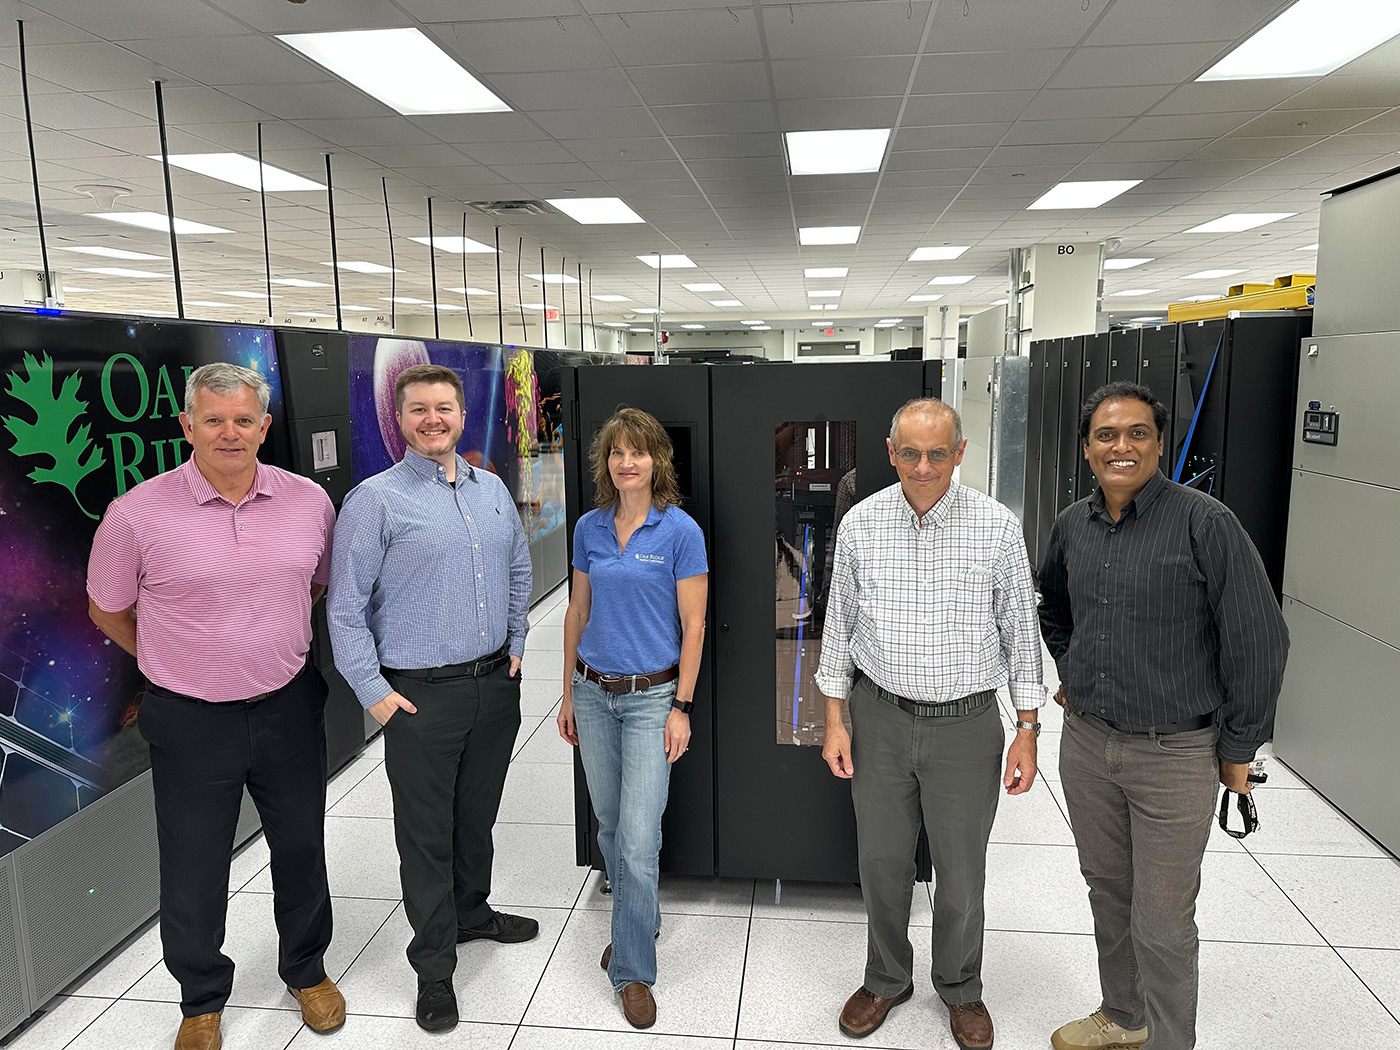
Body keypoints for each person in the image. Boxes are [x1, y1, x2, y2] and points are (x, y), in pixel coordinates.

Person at [86, 363, 343, 1050]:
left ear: (264, 426)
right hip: (191, 718)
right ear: (187, 426)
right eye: (214, 419)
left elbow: (316, 586)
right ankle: (201, 999)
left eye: (243, 420)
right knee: (195, 864)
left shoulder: (308, 502)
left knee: (301, 847)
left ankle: (307, 970)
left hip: (288, 705)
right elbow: (106, 609)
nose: (230, 433)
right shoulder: (135, 514)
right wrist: (170, 658)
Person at [1038, 381, 1289, 1050]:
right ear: (1087, 448)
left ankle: (1172, 1041)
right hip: (1088, 745)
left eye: (1137, 433)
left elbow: (1258, 640)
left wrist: (1240, 746)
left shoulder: (1205, 523)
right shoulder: (1071, 526)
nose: (1122, 446)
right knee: (1107, 891)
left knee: (1164, 918)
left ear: (1158, 443)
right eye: (1106, 435)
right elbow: (1054, 610)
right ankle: (1124, 1016)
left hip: (1176, 753)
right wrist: (1073, 671)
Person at [817, 397, 1043, 1050]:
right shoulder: (861, 525)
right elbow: (840, 627)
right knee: (882, 862)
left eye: (937, 453)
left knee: (961, 869)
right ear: (891, 453)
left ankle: (960, 987)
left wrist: (1026, 727)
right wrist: (834, 718)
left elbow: (1020, 635)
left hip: (967, 726)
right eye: (909, 453)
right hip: (879, 718)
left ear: (960, 453)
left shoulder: (997, 529)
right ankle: (886, 978)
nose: (923, 467)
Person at [326, 363, 534, 1034]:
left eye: (444, 407)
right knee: (425, 836)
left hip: (493, 687)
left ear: (461, 414)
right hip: (418, 698)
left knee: (476, 817)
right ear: (401, 417)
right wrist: (374, 695)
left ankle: (473, 913)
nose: (433, 419)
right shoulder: (375, 500)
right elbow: (345, 608)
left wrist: (518, 639)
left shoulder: (493, 490)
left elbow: (518, 567)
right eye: (419, 409)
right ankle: (434, 966)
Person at [556, 408, 708, 1031]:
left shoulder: (680, 532)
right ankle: (639, 918)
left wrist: (682, 707)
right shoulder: (590, 528)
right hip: (593, 693)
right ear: (606, 464)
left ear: (656, 461)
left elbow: (694, 624)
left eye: (637, 453)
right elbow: (576, 611)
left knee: (640, 839)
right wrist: (566, 692)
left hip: (652, 700)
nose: (626, 463)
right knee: (614, 827)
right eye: (616, 454)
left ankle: (633, 970)